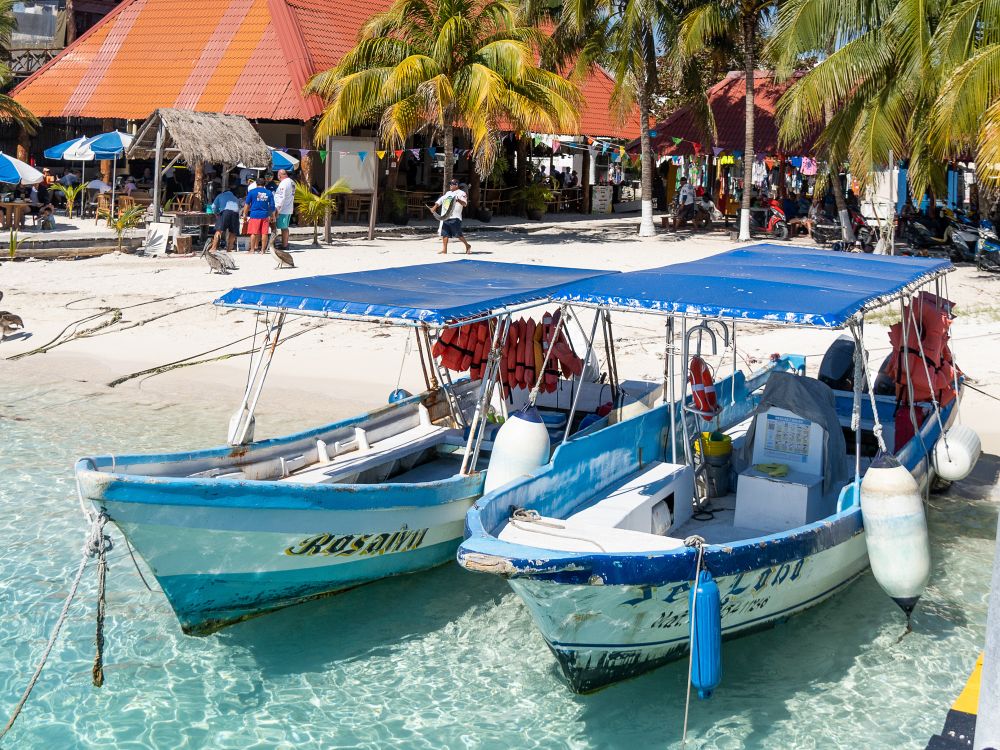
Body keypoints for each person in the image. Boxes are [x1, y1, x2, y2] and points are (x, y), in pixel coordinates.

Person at [432, 178, 471, 254]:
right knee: (445, 234)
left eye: (451, 184)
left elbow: (465, 204)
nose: (450, 185)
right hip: (446, 216)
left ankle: (467, 245)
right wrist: (434, 207)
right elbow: (441, 200)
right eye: (450, 184)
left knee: (458, 235)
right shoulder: (448, 193)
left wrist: (458, 200)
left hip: (455, 217)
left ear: (456, 185)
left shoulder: (461, 193)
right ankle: (444, 250)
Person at [242, 180, 275, 254]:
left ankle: (252, 250)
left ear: (256, 184)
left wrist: (244, 214)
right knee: (264, 233)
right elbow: (272, 206)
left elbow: (247, 205)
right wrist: (273, 216)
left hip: (254, 215)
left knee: (253, 233)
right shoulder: (269, 192)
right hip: (265, 215)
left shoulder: (252, 192)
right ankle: (263, 250)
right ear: (264, 184)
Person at [210, 186, 242, 253]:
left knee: (219, 230)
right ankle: (229, 249)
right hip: (235, 213)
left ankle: (213, 248)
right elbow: (239, 208)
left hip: (225, 212)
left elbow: (213, 206)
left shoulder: (220, 195)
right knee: (233, 232)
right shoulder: (235, 198)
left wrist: (216, 214)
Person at [272, 168, 296, 250]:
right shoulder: (292, 182)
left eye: (278, 175)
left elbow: (281, 197)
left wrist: (277, 210)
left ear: (279, 175)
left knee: (275, 227)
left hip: (282, 209)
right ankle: (285, 244)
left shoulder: (284, 183)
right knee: (285, 228)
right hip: (288, 208)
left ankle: (276, 244)